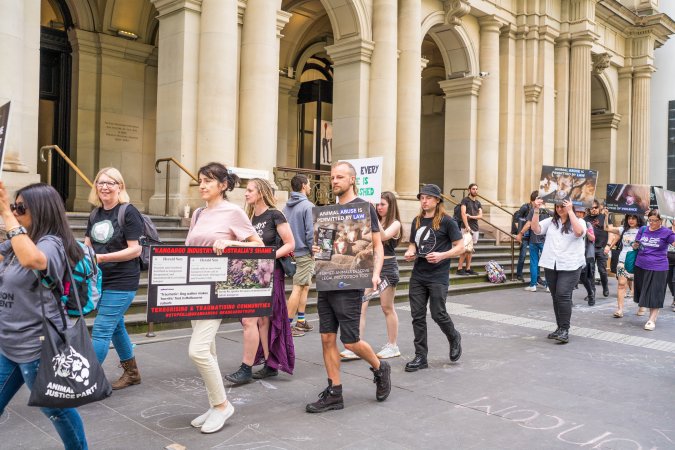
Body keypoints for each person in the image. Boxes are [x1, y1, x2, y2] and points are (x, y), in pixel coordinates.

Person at [0, 182, 88, 449]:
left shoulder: (52, 244)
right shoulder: (17, 242)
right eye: (13, 206)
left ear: (40, 210)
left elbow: (34, 261)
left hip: (38, 345)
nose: (15, 212)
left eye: (20, 208)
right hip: (8, 342)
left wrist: (5, 211)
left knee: (56, 410)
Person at [305, 161, 390, 413]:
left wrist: (375, 274)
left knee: (351, 342)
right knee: (326, 337)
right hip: (328, 280)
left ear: (352, 180)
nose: (334, 181)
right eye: (332, 177)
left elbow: (377, 245)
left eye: (340, 177)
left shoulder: (364, 208)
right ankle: (334, 392)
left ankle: (379, 367)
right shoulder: (327, 212)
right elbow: (325, 247)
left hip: (351, 282)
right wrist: (317, 250)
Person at [185, 162, 263, 434]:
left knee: (197, 350)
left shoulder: (233, 212)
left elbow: (259, 246)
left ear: (223, 185)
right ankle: (213, 403)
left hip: (217, 289)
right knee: (208, 351)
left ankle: (221, 406)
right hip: (194, 287)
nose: (202, 185)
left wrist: (231, 243)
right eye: (200, 180)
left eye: (208, 180)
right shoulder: (197, 214)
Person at [225, 178, 295, 383]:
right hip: (252, 273)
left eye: (249, 190)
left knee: (267, 317)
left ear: (261, 193)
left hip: (272, 271)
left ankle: (268, 363)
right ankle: (268, 361)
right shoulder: (248, 217)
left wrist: (268, 257)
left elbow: (290, 244)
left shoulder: (275, 214)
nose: (245, 194)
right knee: (260, 319)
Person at [85, 168, 143, 389]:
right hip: (101, 281)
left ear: (120, 187)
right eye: (101, 182)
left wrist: (102, 257)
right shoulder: (95, 214)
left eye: (111, 183)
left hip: (122, 280)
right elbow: (87, 247)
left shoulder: (128, 212)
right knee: (116, 326)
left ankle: (86, 381)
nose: (105, 187)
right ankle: (132, 373)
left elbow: (135, 250)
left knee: (101, 329)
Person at [403, 184, 464, 372]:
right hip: (419, 275)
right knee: (417, 316)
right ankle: (421, 356)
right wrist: (410, 252)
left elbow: (461, 246)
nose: (424, 200)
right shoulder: (417, 221)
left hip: (438, 275)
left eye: (428, 197)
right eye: (422, 197)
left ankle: (454, 336)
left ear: (437, 200)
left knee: (438, 313)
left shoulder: (447, 221)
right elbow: (414, 245)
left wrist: (442, 255)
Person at [339, 191, 402, 361]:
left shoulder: (395, 223)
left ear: (391, 206)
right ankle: (355, 344)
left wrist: (372, 213)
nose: (380, 207)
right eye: (378, 204)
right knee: (361, 307)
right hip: (371, 266)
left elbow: (382, 236)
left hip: (388, 268)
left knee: (386, 307)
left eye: (383, 204)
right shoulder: (373, 221)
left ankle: (392, 345)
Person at [530, 199, 586, 344]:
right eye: (557, 206)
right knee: (556, 296)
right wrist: (536, 210)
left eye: (563, 206)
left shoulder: (579, 221)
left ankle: (565, 329)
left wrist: (571, 211)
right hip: (551, 263)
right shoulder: (551, 221)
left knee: (563, 294)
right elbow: (535, 229)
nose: (560, 209)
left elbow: (579, 232)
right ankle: (559, 327)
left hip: (570, 264)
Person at [631, 209, 675, 330]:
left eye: (655, 221)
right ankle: (651, 311)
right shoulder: (643, 229)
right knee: (643, 292)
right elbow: (636, 244)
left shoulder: (667, 232)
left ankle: (651, 319)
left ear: (661, 221)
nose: (652, 223)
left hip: (658, 267)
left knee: (654, 293)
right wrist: (635, 245)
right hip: (641, 265)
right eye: (650, 220)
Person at [283, 174, 315, 337]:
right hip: (304, 252)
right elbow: (310, 233)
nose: (310, 187)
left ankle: (301, 321)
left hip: (290, 252)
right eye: (309, 184)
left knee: (304, 286)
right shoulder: (308, 206)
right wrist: (313, 250)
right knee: (297, 288)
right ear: (303, 185)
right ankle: (287, 327)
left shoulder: (286, 206)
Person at [605, 213, 645, 317]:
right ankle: (620, 309)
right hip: (623, 260)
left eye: (633, 218)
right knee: (621, 284)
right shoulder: (623, 229)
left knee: (639, 285)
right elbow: (606, 228)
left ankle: (641, 305)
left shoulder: (643, 230)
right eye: (629, 218)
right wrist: (606, 215)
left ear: (638, 219)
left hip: (638, 261)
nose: (631, 220)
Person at [521, 200, 551, 292]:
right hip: (544, 240)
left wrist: (520, 233)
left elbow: (529, 223)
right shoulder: (549, 212)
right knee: (547, 263)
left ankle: (533, 284)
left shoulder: (533, 211)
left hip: (533, 240)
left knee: (534, 263)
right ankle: (549, 285)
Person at [584, 200, 610, 297]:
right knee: (590, 271)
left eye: (595, 207)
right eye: (591, 208)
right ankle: (592, 292)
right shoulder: (585, 219)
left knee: (602, 270)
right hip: (590, 248)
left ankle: (605, 286)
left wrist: (608, 245)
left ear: (599, 208)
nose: (593, 209)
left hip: (602, 247)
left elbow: (610, 231)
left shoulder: (604, 217)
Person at [457, 183, 482, 275]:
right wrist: (467, 226)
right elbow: (463, 214)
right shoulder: (465, 200)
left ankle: (468, 268)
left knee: (470, 249)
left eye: (476, 189)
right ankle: (459, 269)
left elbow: (480, 216)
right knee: (464, 249)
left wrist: (471, 216)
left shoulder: (478, 203)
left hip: (475, 228)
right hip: (466, 228)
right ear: (469, 190)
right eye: (473, 189)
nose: (475, 190)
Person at [513, 191, 537, 282]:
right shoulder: (525, 207)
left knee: (534, 257)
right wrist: (520, 233)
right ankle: (519, 274)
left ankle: (535, 277)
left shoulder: (537, 209)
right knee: (522, 255)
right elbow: (516, 219)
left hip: (533, 235)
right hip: (524, 235)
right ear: (533, 201)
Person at [576, 207, 596, 305]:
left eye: (581, 212)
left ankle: (590, 294)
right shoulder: (570, 222)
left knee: (584, 277)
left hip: (582, 254)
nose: (578, 214)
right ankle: (568, 299)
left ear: (584, 214)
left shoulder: (587, 224)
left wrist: (586, 231)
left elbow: (592, 238)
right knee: (569, 277)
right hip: (570, 254)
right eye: (577, 212)